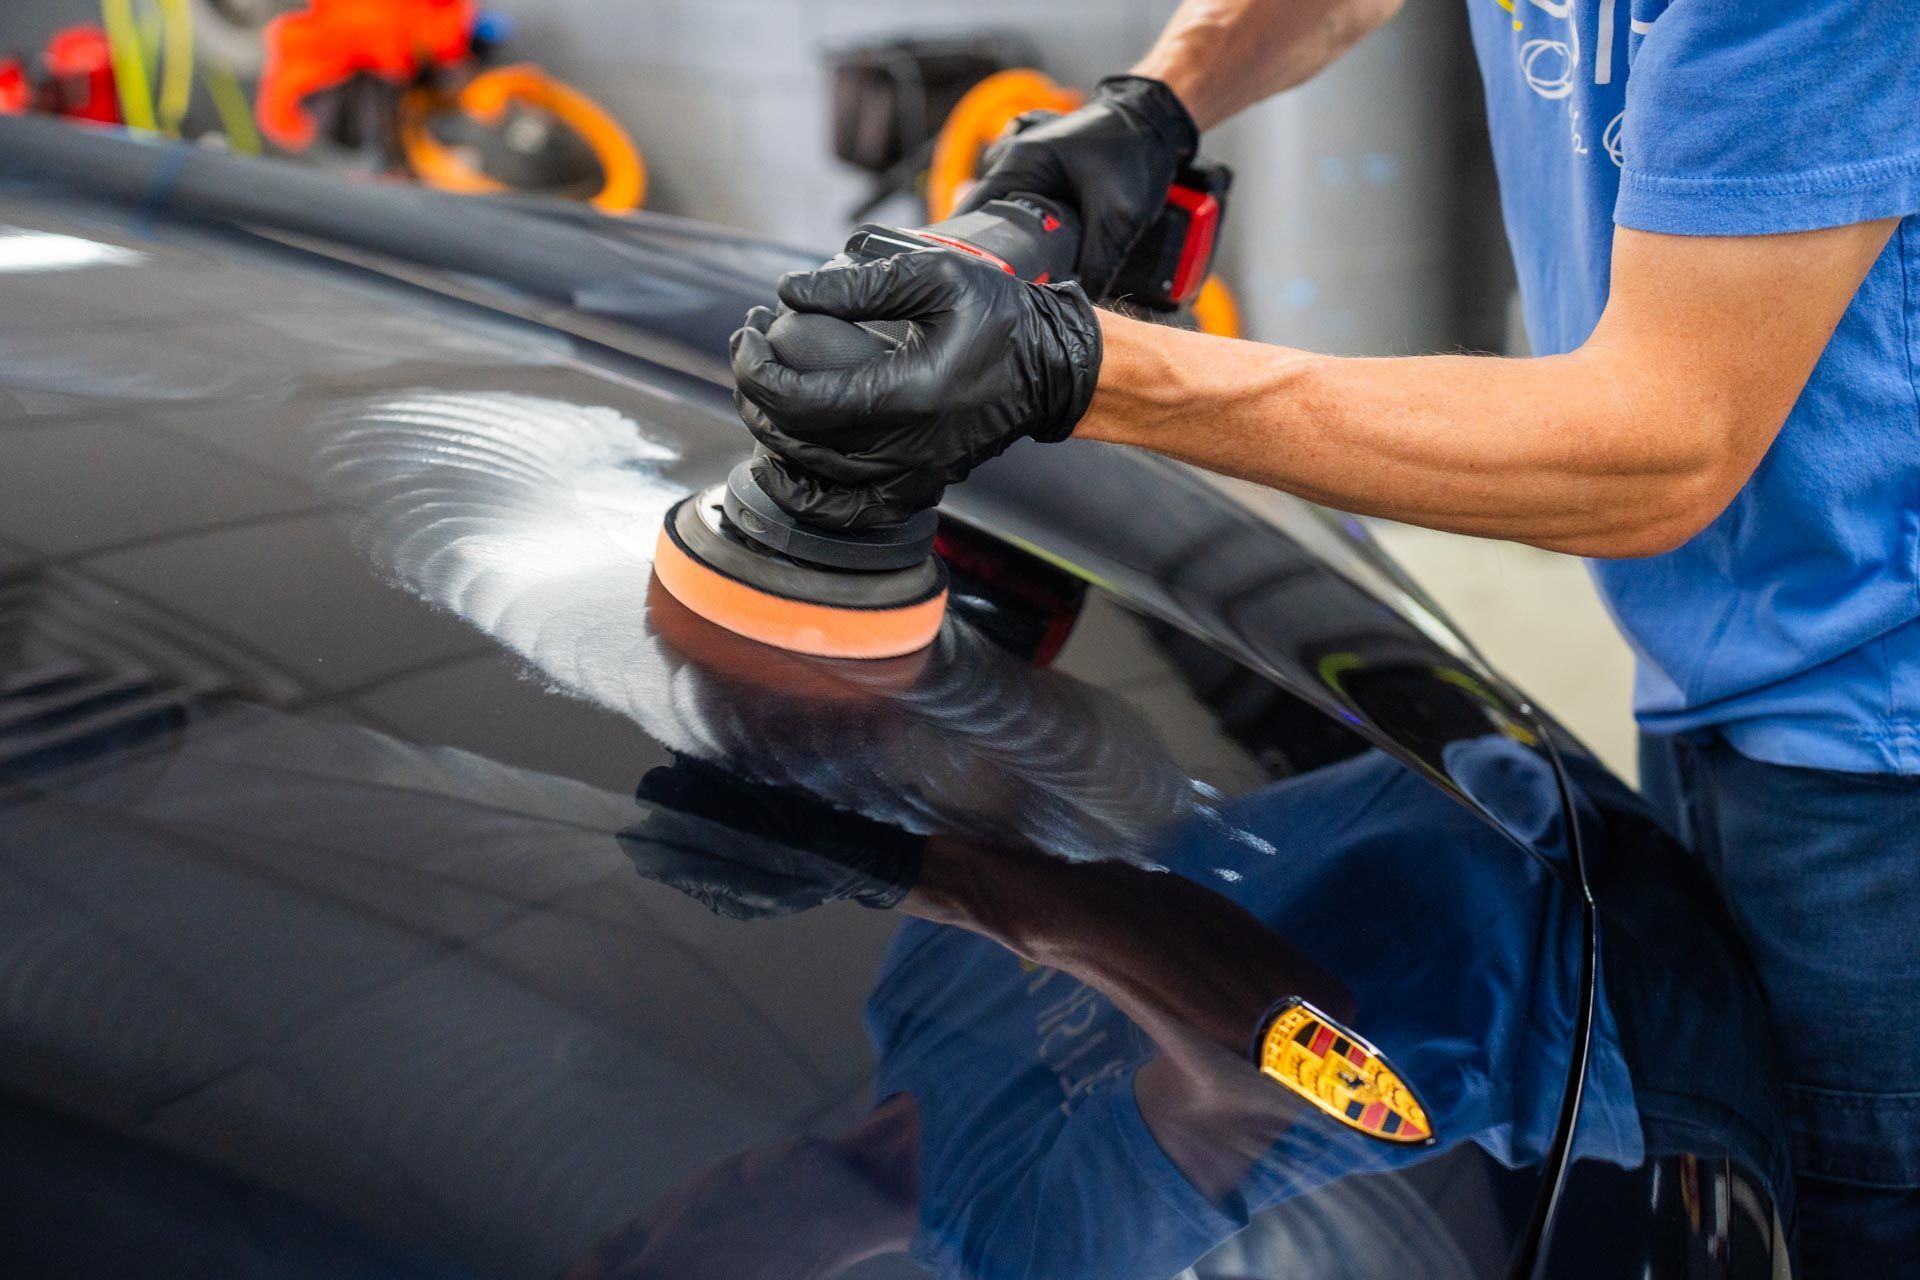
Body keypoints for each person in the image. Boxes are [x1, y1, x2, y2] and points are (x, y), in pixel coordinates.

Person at [729, 2, 1920, 1272]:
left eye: (635, 1244)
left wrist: (1082, 371)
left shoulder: (998, 1198)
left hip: (1875, 738)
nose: (659, 1228)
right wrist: (1156, 103)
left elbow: (1666, 446)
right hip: (1724, 640)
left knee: (1851, 1216)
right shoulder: (909, 1008)